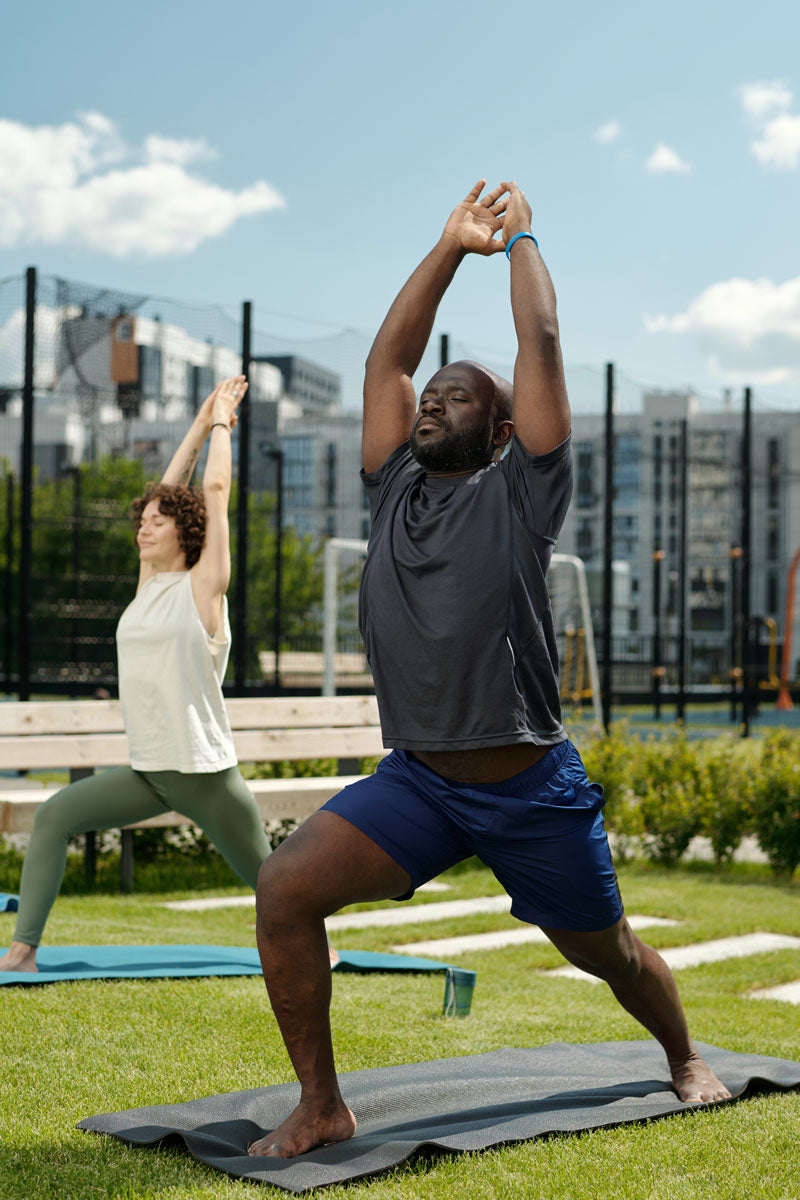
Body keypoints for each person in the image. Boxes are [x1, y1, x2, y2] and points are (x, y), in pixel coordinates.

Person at [248, 180, 731, 1159]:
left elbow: (540, 344)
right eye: (429, 396)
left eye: (455, 394)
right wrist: (443, 247)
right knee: (284, 889)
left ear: (502, 430)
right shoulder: (392, 491)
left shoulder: (522, 492)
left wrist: (516, 243)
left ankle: (679, 1053)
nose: (431, 400)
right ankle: (321, 1104)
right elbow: (387, 358)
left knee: (608, 955)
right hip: (419, 782)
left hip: (528, 789)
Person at [0, 377, 272, 972]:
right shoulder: (148, 588)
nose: (144, 527)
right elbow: (171, 487)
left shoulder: (204, 589)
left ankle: (319, 946)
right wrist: (197, 426)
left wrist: (224, 421)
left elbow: (214, 490)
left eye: (157, 521)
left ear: (186, 533)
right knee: (54, 816)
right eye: (141, 520)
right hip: (150, 771)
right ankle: (22, 952)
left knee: (275, 884)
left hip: (205, 774)